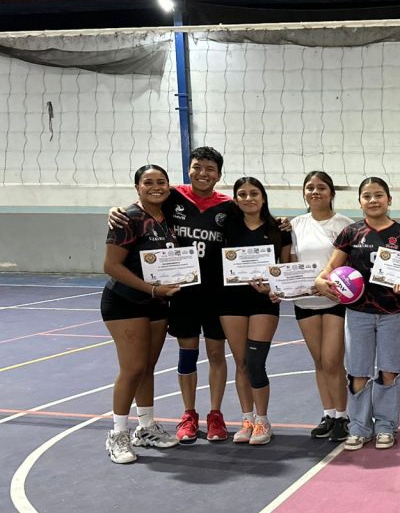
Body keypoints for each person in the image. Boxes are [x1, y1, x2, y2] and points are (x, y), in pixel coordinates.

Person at [108, 146, 232, 444]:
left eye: (210, 169)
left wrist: (283, 223)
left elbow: (256, 219)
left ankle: (215, 414)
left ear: (219, 174)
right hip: (180, 294)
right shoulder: (173, 195)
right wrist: (114, 211)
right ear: (189, 170)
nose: (203, 173)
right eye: (197, 167)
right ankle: (188, 414)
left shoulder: (228, 206)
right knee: (184, 355)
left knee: (215, 355)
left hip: (214, 293)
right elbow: (141, 203)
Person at [313, 177, 400, 451]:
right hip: (358, 313)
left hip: (392, 312)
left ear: (389, 200)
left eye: (379, 195)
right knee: (358, 371)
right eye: (367, 196)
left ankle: (385, 426)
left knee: (390, 371)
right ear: (359, 201)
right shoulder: (351, 233)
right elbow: (327, 272)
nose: (373, 200)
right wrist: (322, 283)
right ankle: (360, 427)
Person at [101, 164, 182, 463]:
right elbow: (111, 266)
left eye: (161, 181)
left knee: (148, 367)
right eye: (148, 182)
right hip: (125, 302)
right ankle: (117, 434)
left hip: (157, 303)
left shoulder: (170, 214)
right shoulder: (128, 217)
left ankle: (145, 428)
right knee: (132, 368)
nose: (155, 187)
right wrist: (151, 289)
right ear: (137, 187)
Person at [221, 177, 292, 446]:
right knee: (240, 363)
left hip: (263, 302)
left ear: (263, 197)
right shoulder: (227, 227)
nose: (248, 198)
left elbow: (284, 270)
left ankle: (263, 420)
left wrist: (273, 288)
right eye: (242, 194)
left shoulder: (279, 229)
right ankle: (247, 419)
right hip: (231, 300)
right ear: (236, 199)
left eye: (254, 193)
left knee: (255, 362)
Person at [289, 171, 354, 443]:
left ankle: (342, 416)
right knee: (318, 361)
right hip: (304, 301)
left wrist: (335, 287)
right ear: (304, 192)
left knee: (332, 361)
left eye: (322, 188)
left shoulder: (346, 225)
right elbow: (290, 264)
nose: (315, 192)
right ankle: (328, 414)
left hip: (334, 301)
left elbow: (350, 265)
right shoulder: (294, 225)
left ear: (331, 193)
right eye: (310, 187)